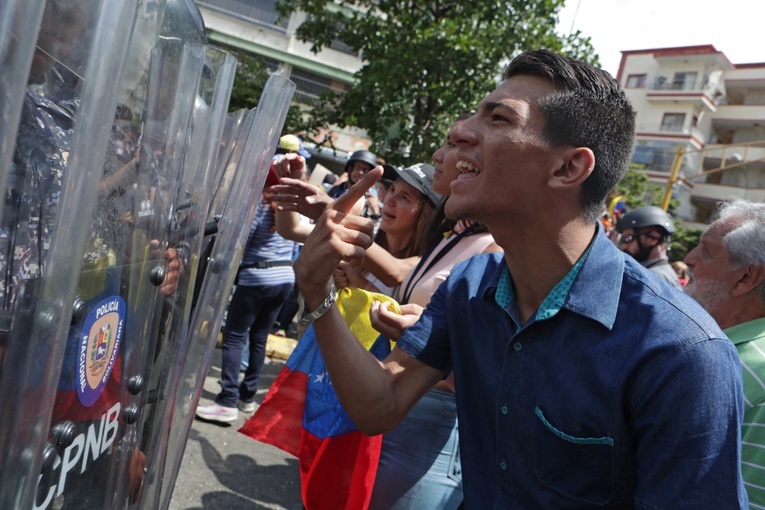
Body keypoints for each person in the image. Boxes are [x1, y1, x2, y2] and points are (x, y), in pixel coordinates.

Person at [292, 49, 748, 507]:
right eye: (475, 114)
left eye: (498, 119)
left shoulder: (682, 354)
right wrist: (318, 292)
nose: (458, 132)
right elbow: (381, 404)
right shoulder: (471, 283)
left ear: (569, 168)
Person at [368, 118, 500, 510]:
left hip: (436, 416)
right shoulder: (453, 236)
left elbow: (486, 351)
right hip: (401, 399)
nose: (440, 157)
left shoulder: (493, 247)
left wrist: (433, 340)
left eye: (449, 147)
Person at [682, 198, 765, 506]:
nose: (688, 258)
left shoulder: (749, 371)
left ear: (746, 277)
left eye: (706, 250)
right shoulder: (722, 352)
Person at [196, 173, 296, 423]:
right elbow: (295, 245)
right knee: (260, 337)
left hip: (257, 277)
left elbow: (240, 243)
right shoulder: (290, 206)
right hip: (285, 278)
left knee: (234, 336)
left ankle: (227, 400)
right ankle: (247, 397)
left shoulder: (260, 204)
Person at [334, 163, 441, 296]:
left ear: (425, 215)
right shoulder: (369, 247)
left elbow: (395, 273)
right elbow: (301, 231)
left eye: (404, 197)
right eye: (392, 189)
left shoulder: (426, 267)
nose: (390, 200)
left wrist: (361, 284)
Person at [615, 205, 683, 289]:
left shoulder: (655, 278)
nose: (624, 245)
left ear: (654, 238)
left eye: (629, 238)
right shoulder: (657, 273)